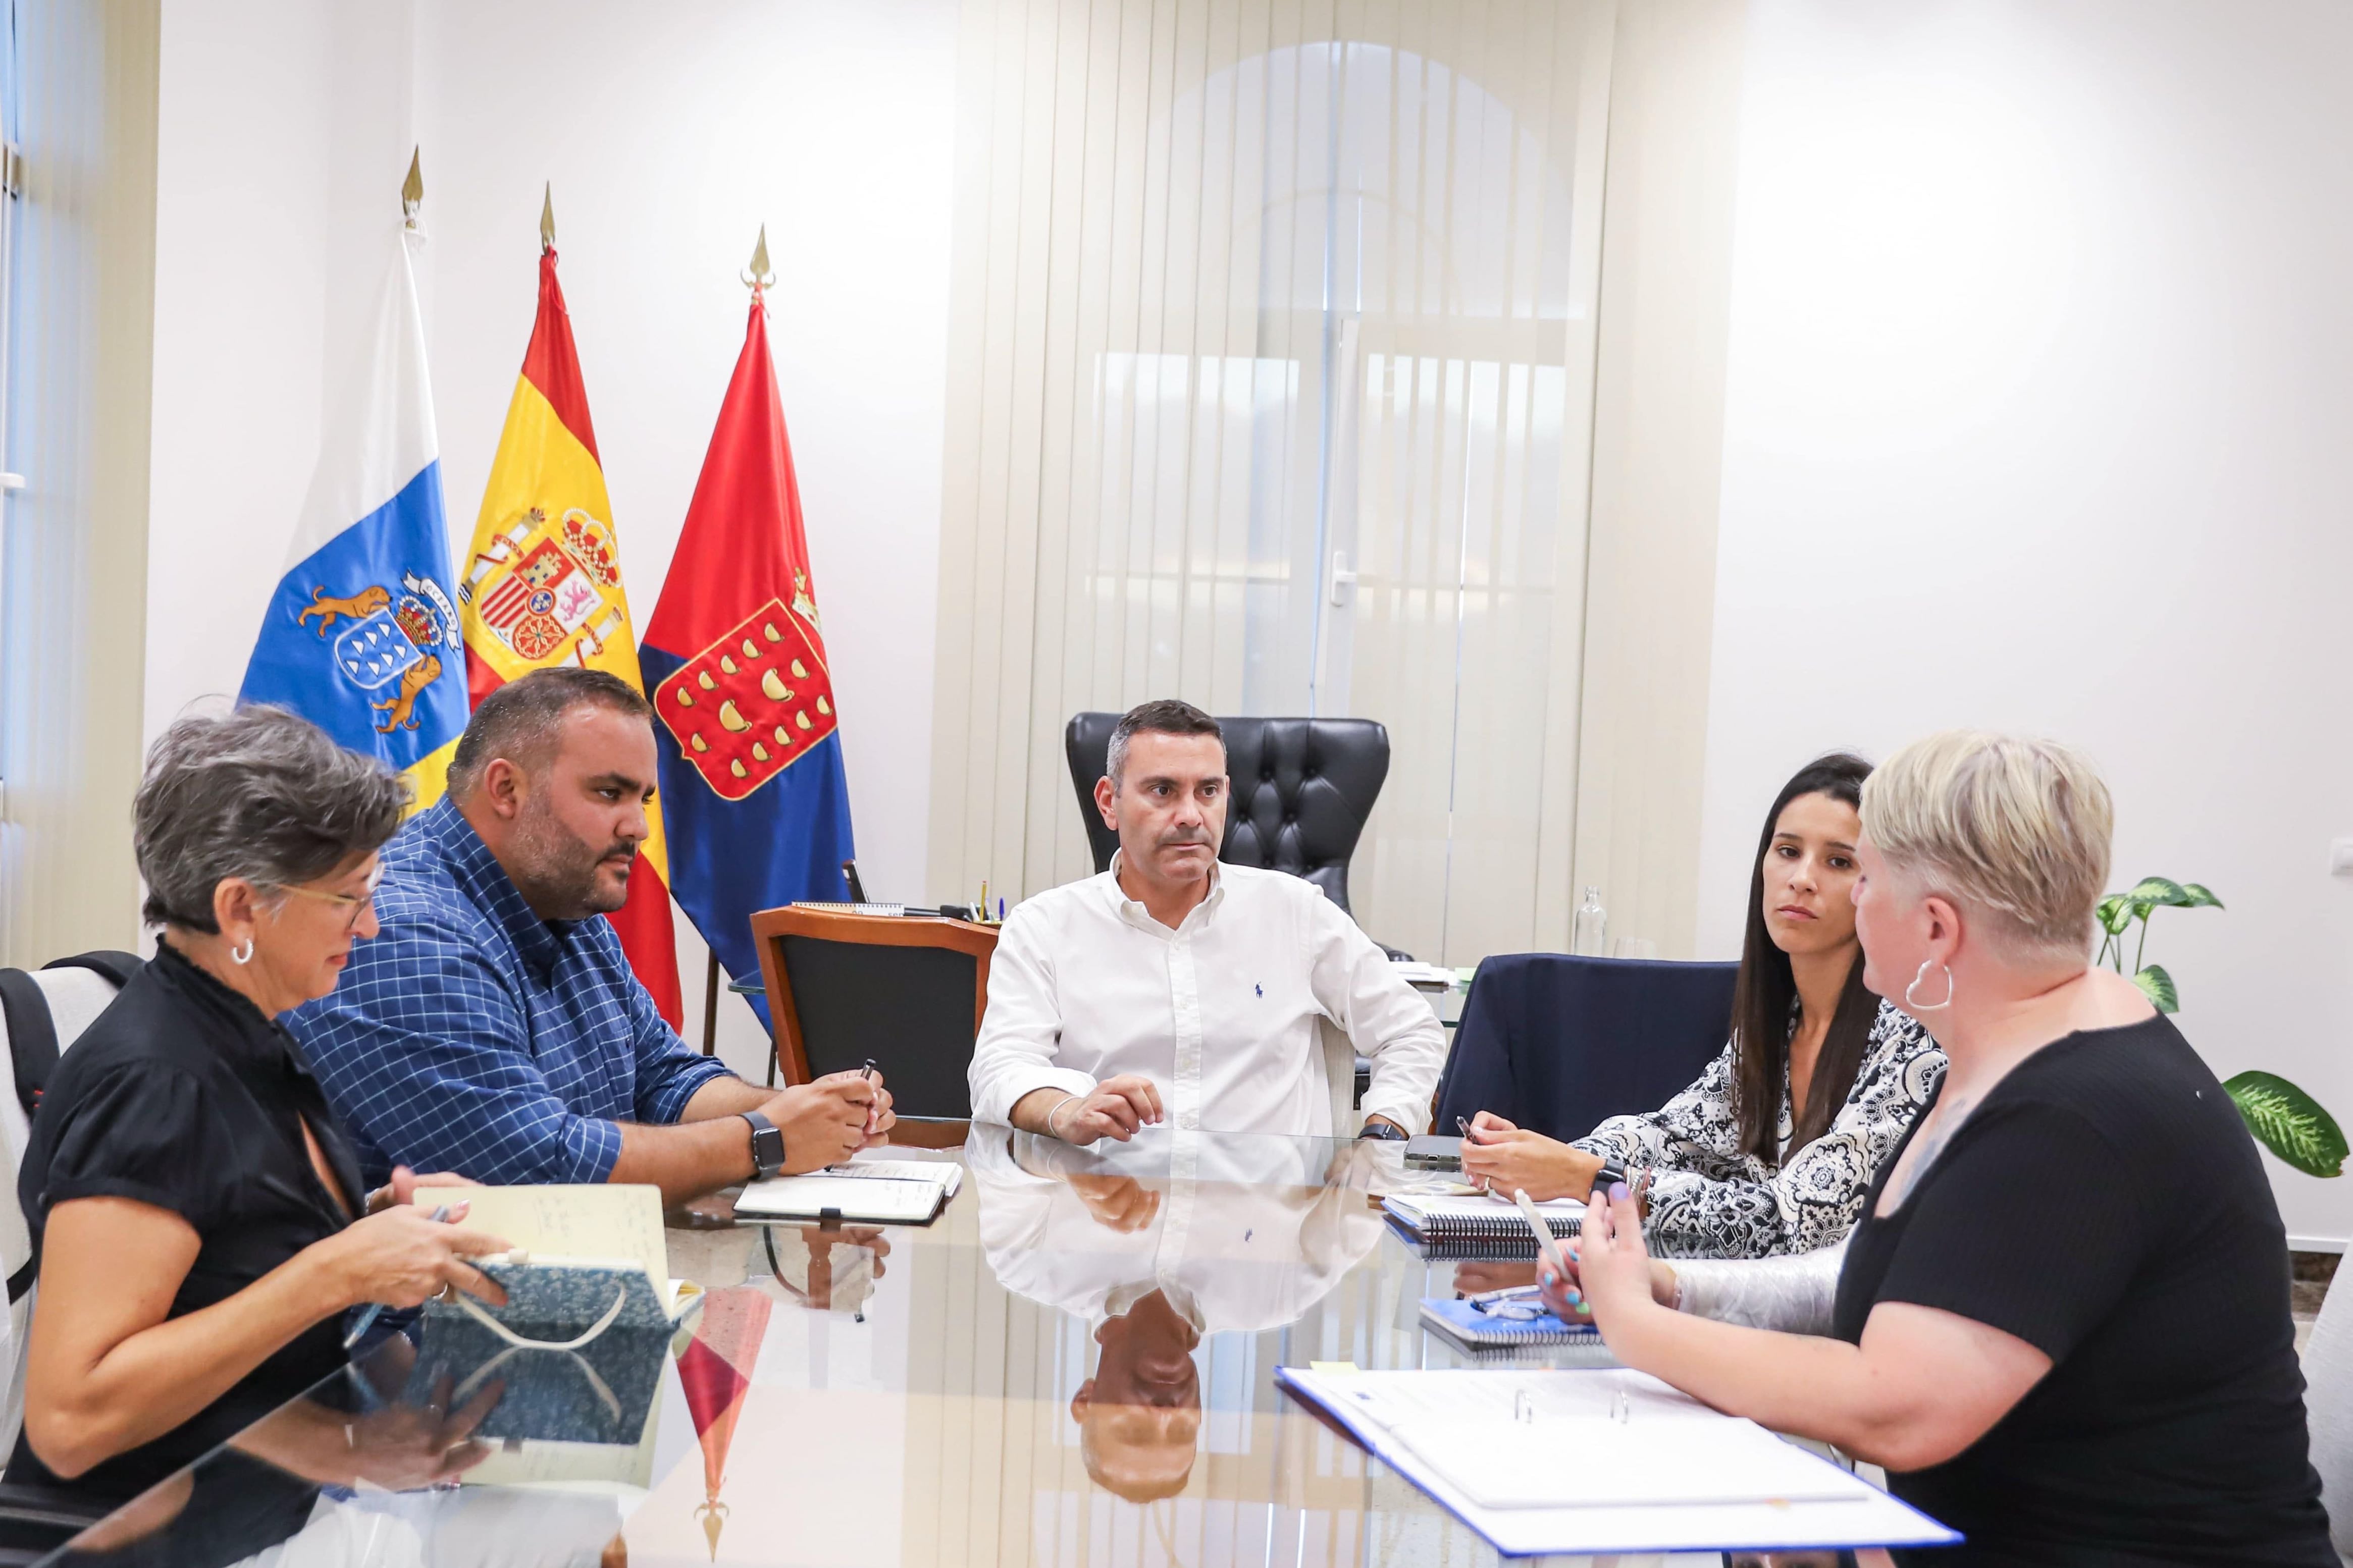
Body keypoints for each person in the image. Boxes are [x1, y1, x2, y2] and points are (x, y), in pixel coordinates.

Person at [1553, 731, 2336, 1566]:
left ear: (1933, 926)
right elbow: (1876, 1283)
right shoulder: (2010, 1051)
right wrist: (1669, 1286)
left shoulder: (2076, 1116)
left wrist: (1633, 1325)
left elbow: (1897, 1408)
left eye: (1868, 876)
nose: (1853, 903)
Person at [7, 707, 511, 1508]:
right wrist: (335, 1269)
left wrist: (383, 1227)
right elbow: (72, 1415)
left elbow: (222, 1250)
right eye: (351, 895)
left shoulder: (253, 1033)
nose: (373, 925)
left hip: (262, 1502)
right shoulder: (157, 1084)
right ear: (242, 907)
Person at [290, 669, 893, 1205]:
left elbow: (662, 1078)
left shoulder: (564, 900)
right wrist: (765, 1137)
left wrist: (816, 1111)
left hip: (552, 1304)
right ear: (506, 790)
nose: (637, 827)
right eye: (609, 793)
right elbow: (532, 1171)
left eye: (644, 799)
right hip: (415, 1324)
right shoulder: (403, 930)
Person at [1460, 754, 1943, 1258]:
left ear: (1878, 887)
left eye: (1838, 861)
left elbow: (1793, 1221)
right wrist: (1542, 1154)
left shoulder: (1913, 1038)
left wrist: (1588, 1179)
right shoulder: (1781, 1025)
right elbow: (1673, 1137)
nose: (1801, 877)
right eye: (1786, 850)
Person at [965, 699, 1445, 1144]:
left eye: (1208, 791)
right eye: (1162, 791)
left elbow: (1410, 1031)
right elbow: (1000, 1068)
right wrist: (1068, 1110)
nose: (1191, 815)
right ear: (1109, 802)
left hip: (1270, 1215)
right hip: (1104, 1208)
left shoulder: (1295, 911)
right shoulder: (1044, 927)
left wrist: (1381, 1137)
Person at [968, 1126, 1383, 1500]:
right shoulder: (1280, 1294)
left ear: (1085, 1400)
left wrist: (1066, 1161)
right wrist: (1376, 1143)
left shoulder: (1026, 1264)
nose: (1167, 1414)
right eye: (1183, 1430)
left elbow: (991, 1144)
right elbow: (1377, 1183)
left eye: (1135, 1430)